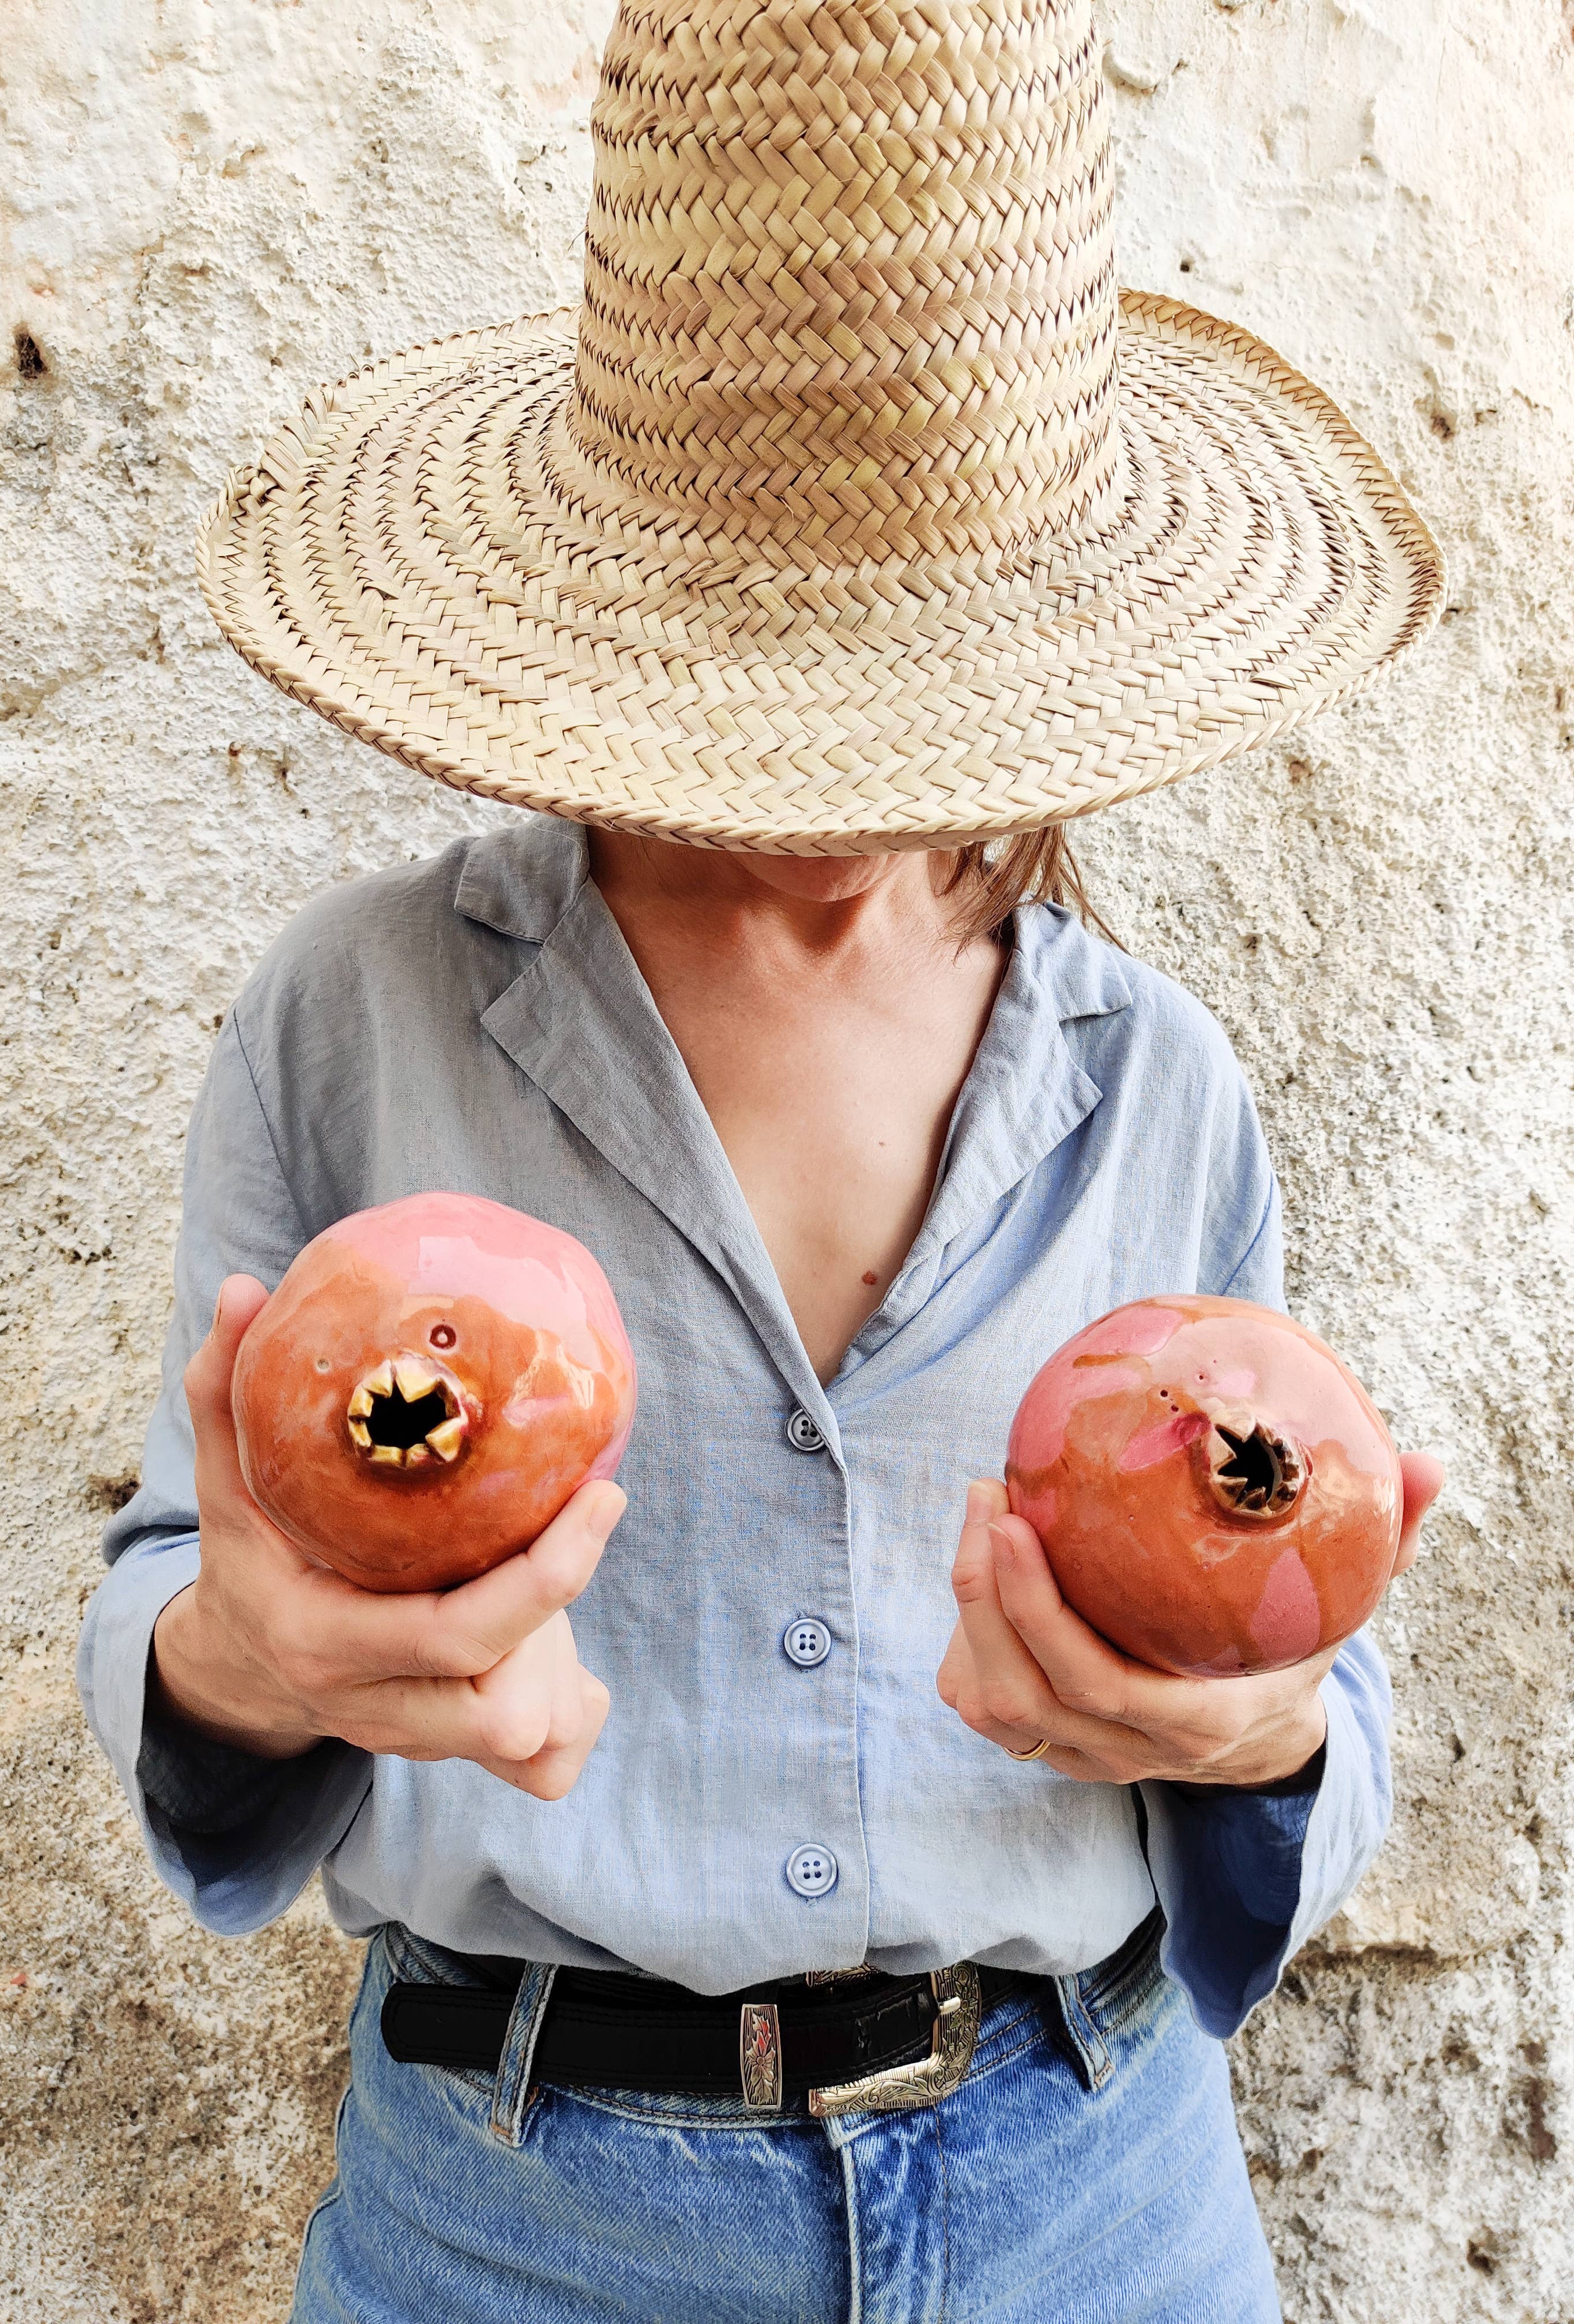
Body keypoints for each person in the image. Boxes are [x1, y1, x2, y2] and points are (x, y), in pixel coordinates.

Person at [80, 3, 1446, 2315]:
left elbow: (1306, 1676)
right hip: (524, 2222)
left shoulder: (1154, 1079)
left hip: (1095, 2206)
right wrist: (248, 1652)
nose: (834, 800)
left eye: (920, 679)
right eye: (781, 671)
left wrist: (1271, 1729)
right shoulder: (366, 1013)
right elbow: (173, 1645)